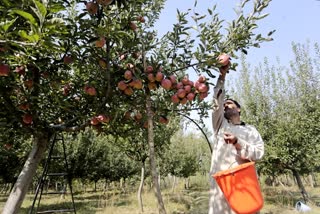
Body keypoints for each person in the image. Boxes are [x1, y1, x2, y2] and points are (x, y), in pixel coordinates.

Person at [208, 64, 265, 214]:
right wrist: (222, 77)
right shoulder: (220, 125)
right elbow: (216, 104)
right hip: (221, 185)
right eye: (224, 105)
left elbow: (259, 153)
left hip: (244, 185)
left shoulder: (251, 130)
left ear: (238, 109)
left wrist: (237, 142)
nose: (225, 106)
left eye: (229, 104)